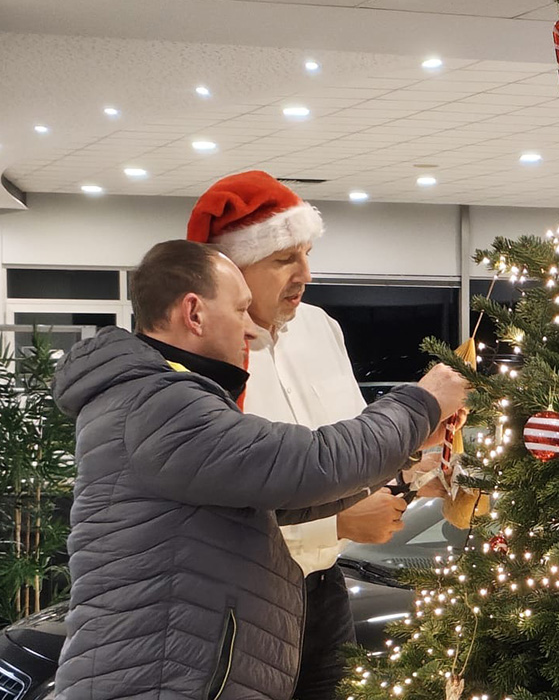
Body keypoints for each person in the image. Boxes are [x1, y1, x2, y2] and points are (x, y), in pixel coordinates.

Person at [53, 240, 469, 700]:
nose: (251, 331)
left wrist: (409, 451)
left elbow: (282, 497)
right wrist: (423, 401)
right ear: (194, 314)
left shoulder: (159, 399)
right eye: (240, 310)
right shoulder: (163, 406)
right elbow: (314, 463)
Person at [186, 170, 454, 699]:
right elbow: (215, 512)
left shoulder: (320, 327)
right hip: (242, 600)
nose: (305, 272)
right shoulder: (201, 361)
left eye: (306, 252)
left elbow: (353, 448)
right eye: (284, 258)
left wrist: (421, 459)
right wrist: (335, 524)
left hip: (326, 594)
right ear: (230, 269)